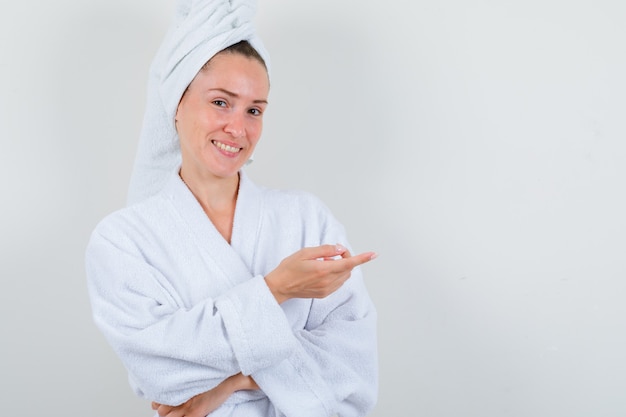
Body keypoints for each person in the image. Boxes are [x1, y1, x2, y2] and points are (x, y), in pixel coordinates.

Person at [86, 1, 378, 416]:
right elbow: (161, 373)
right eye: (221, 102)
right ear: (176, 103)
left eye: (254, 110)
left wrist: (232, 382)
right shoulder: (122, 240)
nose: (238, 128)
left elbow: (354, 364)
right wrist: (277, 289)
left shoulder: (307, 219)